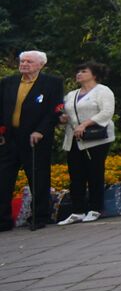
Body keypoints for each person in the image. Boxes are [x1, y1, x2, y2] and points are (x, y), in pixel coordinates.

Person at [0, 50, 64, 231]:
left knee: (38, 177)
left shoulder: (52, 83)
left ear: (40, 64)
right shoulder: (8, 83)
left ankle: (39, 216)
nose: (24, 64)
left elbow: (55, 110)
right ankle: (3, 220)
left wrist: (40, 131)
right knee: (4, 179)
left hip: (36, 137)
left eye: (29, 61)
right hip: (10, 138)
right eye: (22, 61)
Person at [58, 61, 115, 224]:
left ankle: (95, 208)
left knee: (94, 172)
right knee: (76, 174)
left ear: (94, 74)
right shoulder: (72, 94)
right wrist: (63, 118)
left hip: (95, 138)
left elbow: (107, 112)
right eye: (78, 71)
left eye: (84, 71)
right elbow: (67, 112)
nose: (79, 74)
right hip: (74, 138)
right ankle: (77, 210)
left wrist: (85, 124)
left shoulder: (103, 91)